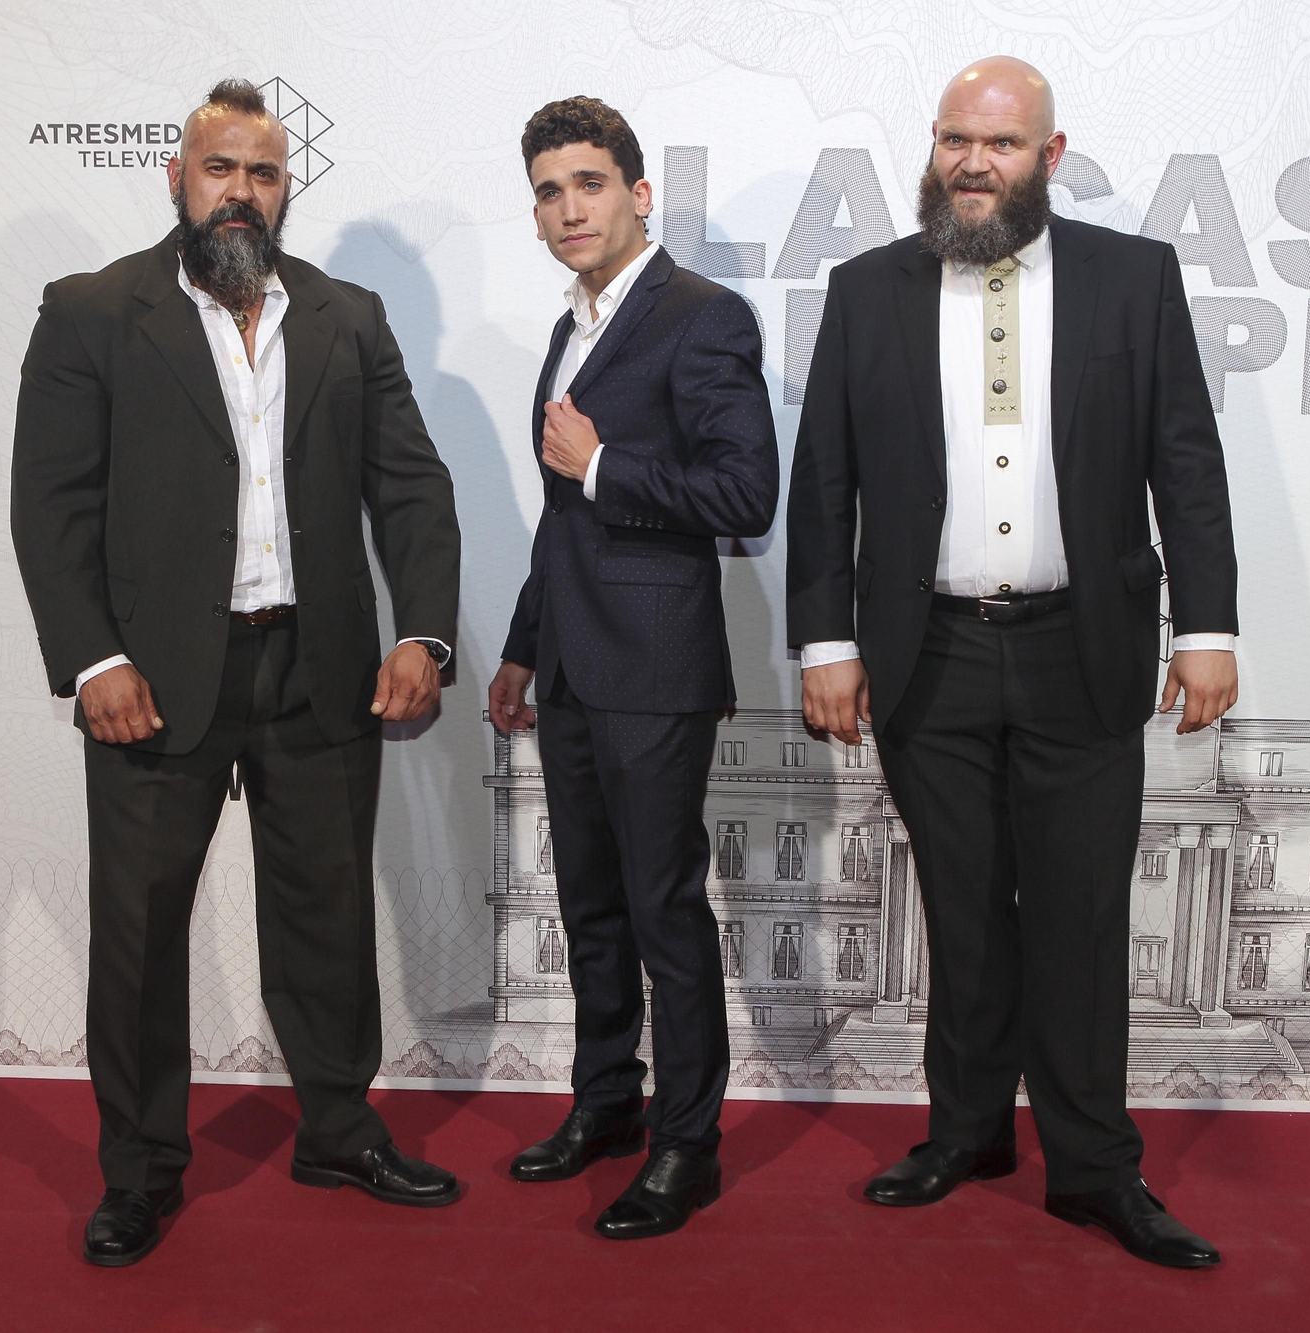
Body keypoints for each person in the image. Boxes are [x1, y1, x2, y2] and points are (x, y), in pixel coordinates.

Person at [786, 56, 1238, 1269]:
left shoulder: (1129, 280)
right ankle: (967, 1132)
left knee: (1082, 920)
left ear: (1049, 151)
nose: (969, 163)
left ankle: (1093, 1169)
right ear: (932, 152)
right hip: (924, 652)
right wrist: (824, 639)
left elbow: (1183, 461)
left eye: (995, 142)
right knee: (963, 911)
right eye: (950, 140)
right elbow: (822, 482)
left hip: (1078, 651)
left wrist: (1206, 628)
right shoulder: (866, 287)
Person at [11, 78, 463, 1267]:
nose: (241, 193)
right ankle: (142, 1170)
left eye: (263, 174)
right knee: (141, 933)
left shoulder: (345, 315)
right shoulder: (94, 310)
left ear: (284, 189)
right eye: (221, 169)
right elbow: (49, 503)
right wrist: (93, 657)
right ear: (178, 177)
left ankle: (337, 1128)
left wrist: (422, 631)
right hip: (153, 683)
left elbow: (409, 484)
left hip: (315, 671)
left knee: (323, 918)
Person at [488, 97, 779, 1240]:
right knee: (589, 904)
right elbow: (561, 517)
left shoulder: (701, 318)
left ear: (638, 192)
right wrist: (522, 644)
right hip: (568, 661)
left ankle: (686, 1146)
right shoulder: (573, 324)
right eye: (549, 191)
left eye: (589, 184)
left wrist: (606, 463)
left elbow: (743, 497)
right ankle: (604, 1104)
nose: (568, 207)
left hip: (655, 666)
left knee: (661, 908)